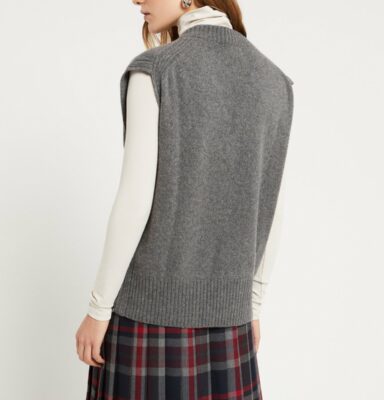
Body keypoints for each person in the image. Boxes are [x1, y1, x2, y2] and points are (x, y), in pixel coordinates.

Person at [76, 1, 294, 399]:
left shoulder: (157, 70)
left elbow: (134, 201)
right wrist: (253, 305)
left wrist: (98, 308)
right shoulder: (274, 81)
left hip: (149, 318)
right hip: (232, 322)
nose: (137, 0)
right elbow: (271, 208)